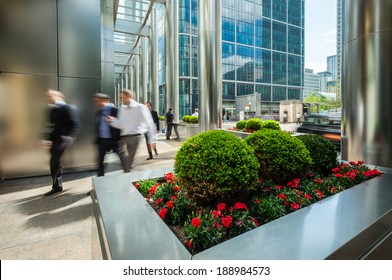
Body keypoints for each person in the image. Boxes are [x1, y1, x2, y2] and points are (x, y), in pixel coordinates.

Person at [106, 89, 155, 172]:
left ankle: (129, 172)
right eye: (121, 98)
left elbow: (150, 123)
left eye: (123, 98)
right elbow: (120, 124)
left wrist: (152, 140)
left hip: (135, 137)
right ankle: (134, 170)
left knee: (130, 160)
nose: (122, 100)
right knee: (123, 155)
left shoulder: (140, 107)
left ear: (130, 96)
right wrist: (112, 121)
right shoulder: (122, 109)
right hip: (123, 137)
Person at [43, 89, 80, 196]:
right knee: (56, 163)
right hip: (54, 140)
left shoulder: (66, 108)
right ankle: (57, 185)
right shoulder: (53, 110)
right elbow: (51, 126)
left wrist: (67, 137)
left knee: (54, 162)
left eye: (50, 95)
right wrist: (46, 139)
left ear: (58, 96)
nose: (48, 98)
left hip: (61, 140)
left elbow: (74, 123)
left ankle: (56, 187)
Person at [93, 93, 122, 176]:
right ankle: (100, 177)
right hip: (102, 140)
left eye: (97, 101)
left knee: (122, 158)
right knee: (100, 160)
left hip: (114, 140)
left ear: (104, 100)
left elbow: (121, 124)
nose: (96, 103)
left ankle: (129, 173)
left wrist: (118, 138)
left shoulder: (115, 110)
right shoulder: (98, 112)